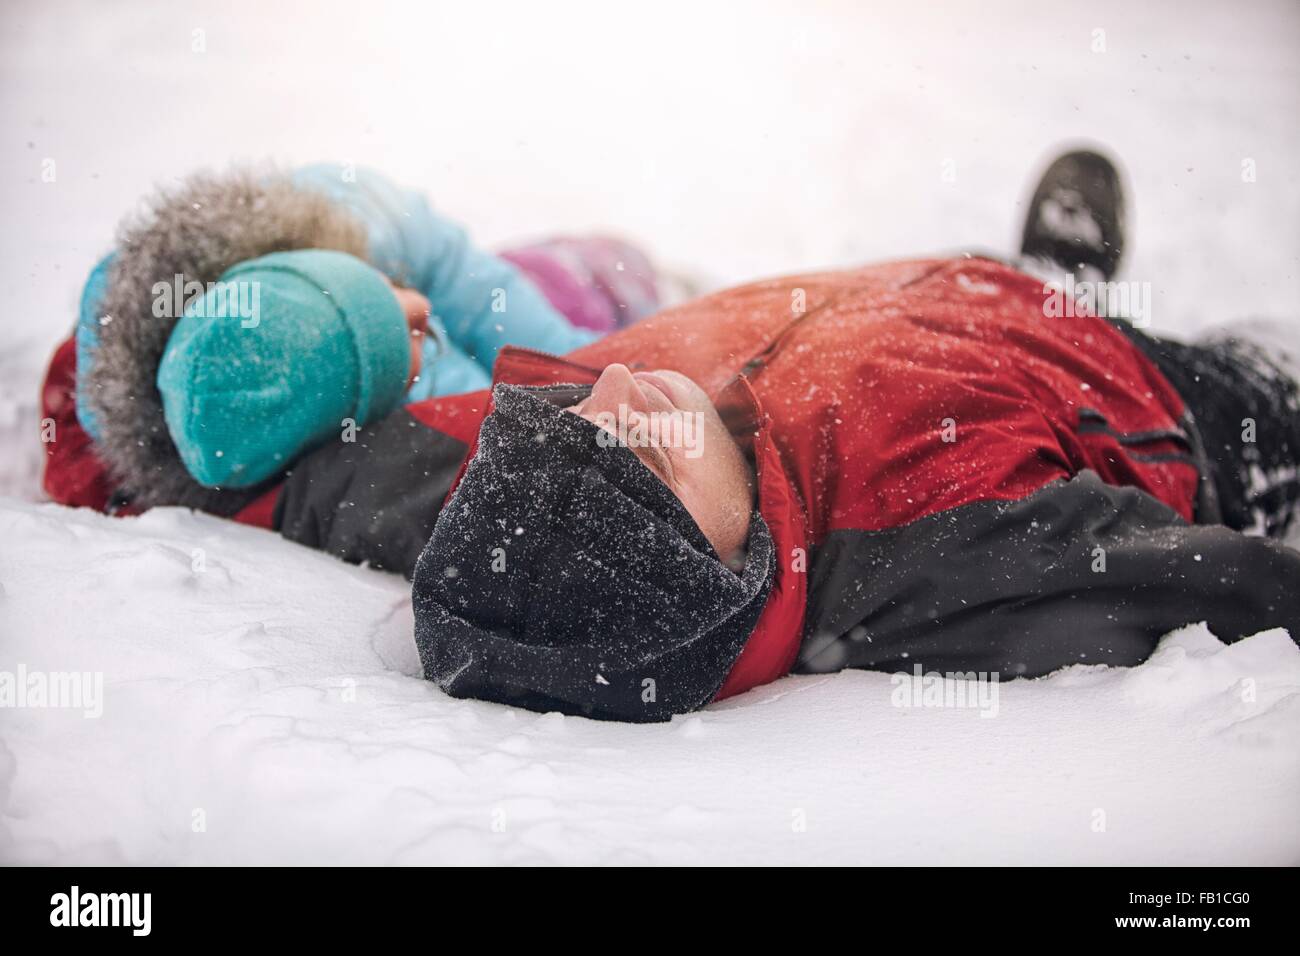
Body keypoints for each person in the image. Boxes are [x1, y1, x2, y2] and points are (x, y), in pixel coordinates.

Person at [40, 151, 1300, 723]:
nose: (615, 388)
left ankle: (1034, 258)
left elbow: (290, 466)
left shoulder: (525, 498)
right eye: (627, 446)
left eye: (575, 413)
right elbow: (1217, 583)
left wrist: (157, 388)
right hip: (1129, 372)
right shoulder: (931, 551)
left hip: (913, 286)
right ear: (705, 567)